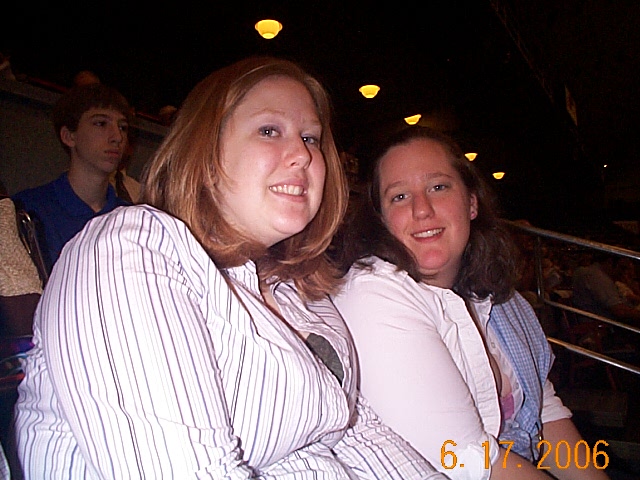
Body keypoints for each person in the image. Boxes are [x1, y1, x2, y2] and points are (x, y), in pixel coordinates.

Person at [10, 57, 444, 479]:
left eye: (311, 138)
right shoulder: (130, 247)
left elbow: (358, 432)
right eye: (269, 131)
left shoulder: (297, 293)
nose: (302, 154)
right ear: (206, 152)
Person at [332, 126, 609, 480]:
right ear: (383, 221)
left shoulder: (500, 301)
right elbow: (470, 462)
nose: (421, 209)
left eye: (438, 187)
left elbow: (545, 413)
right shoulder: (373, 295)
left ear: (472, 203)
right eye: (399, 196)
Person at [12, 83, 132, 275]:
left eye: (123, 127)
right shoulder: (26, 209)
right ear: (68, 136)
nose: (117, 137)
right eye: (101, 123)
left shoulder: (132, 218)